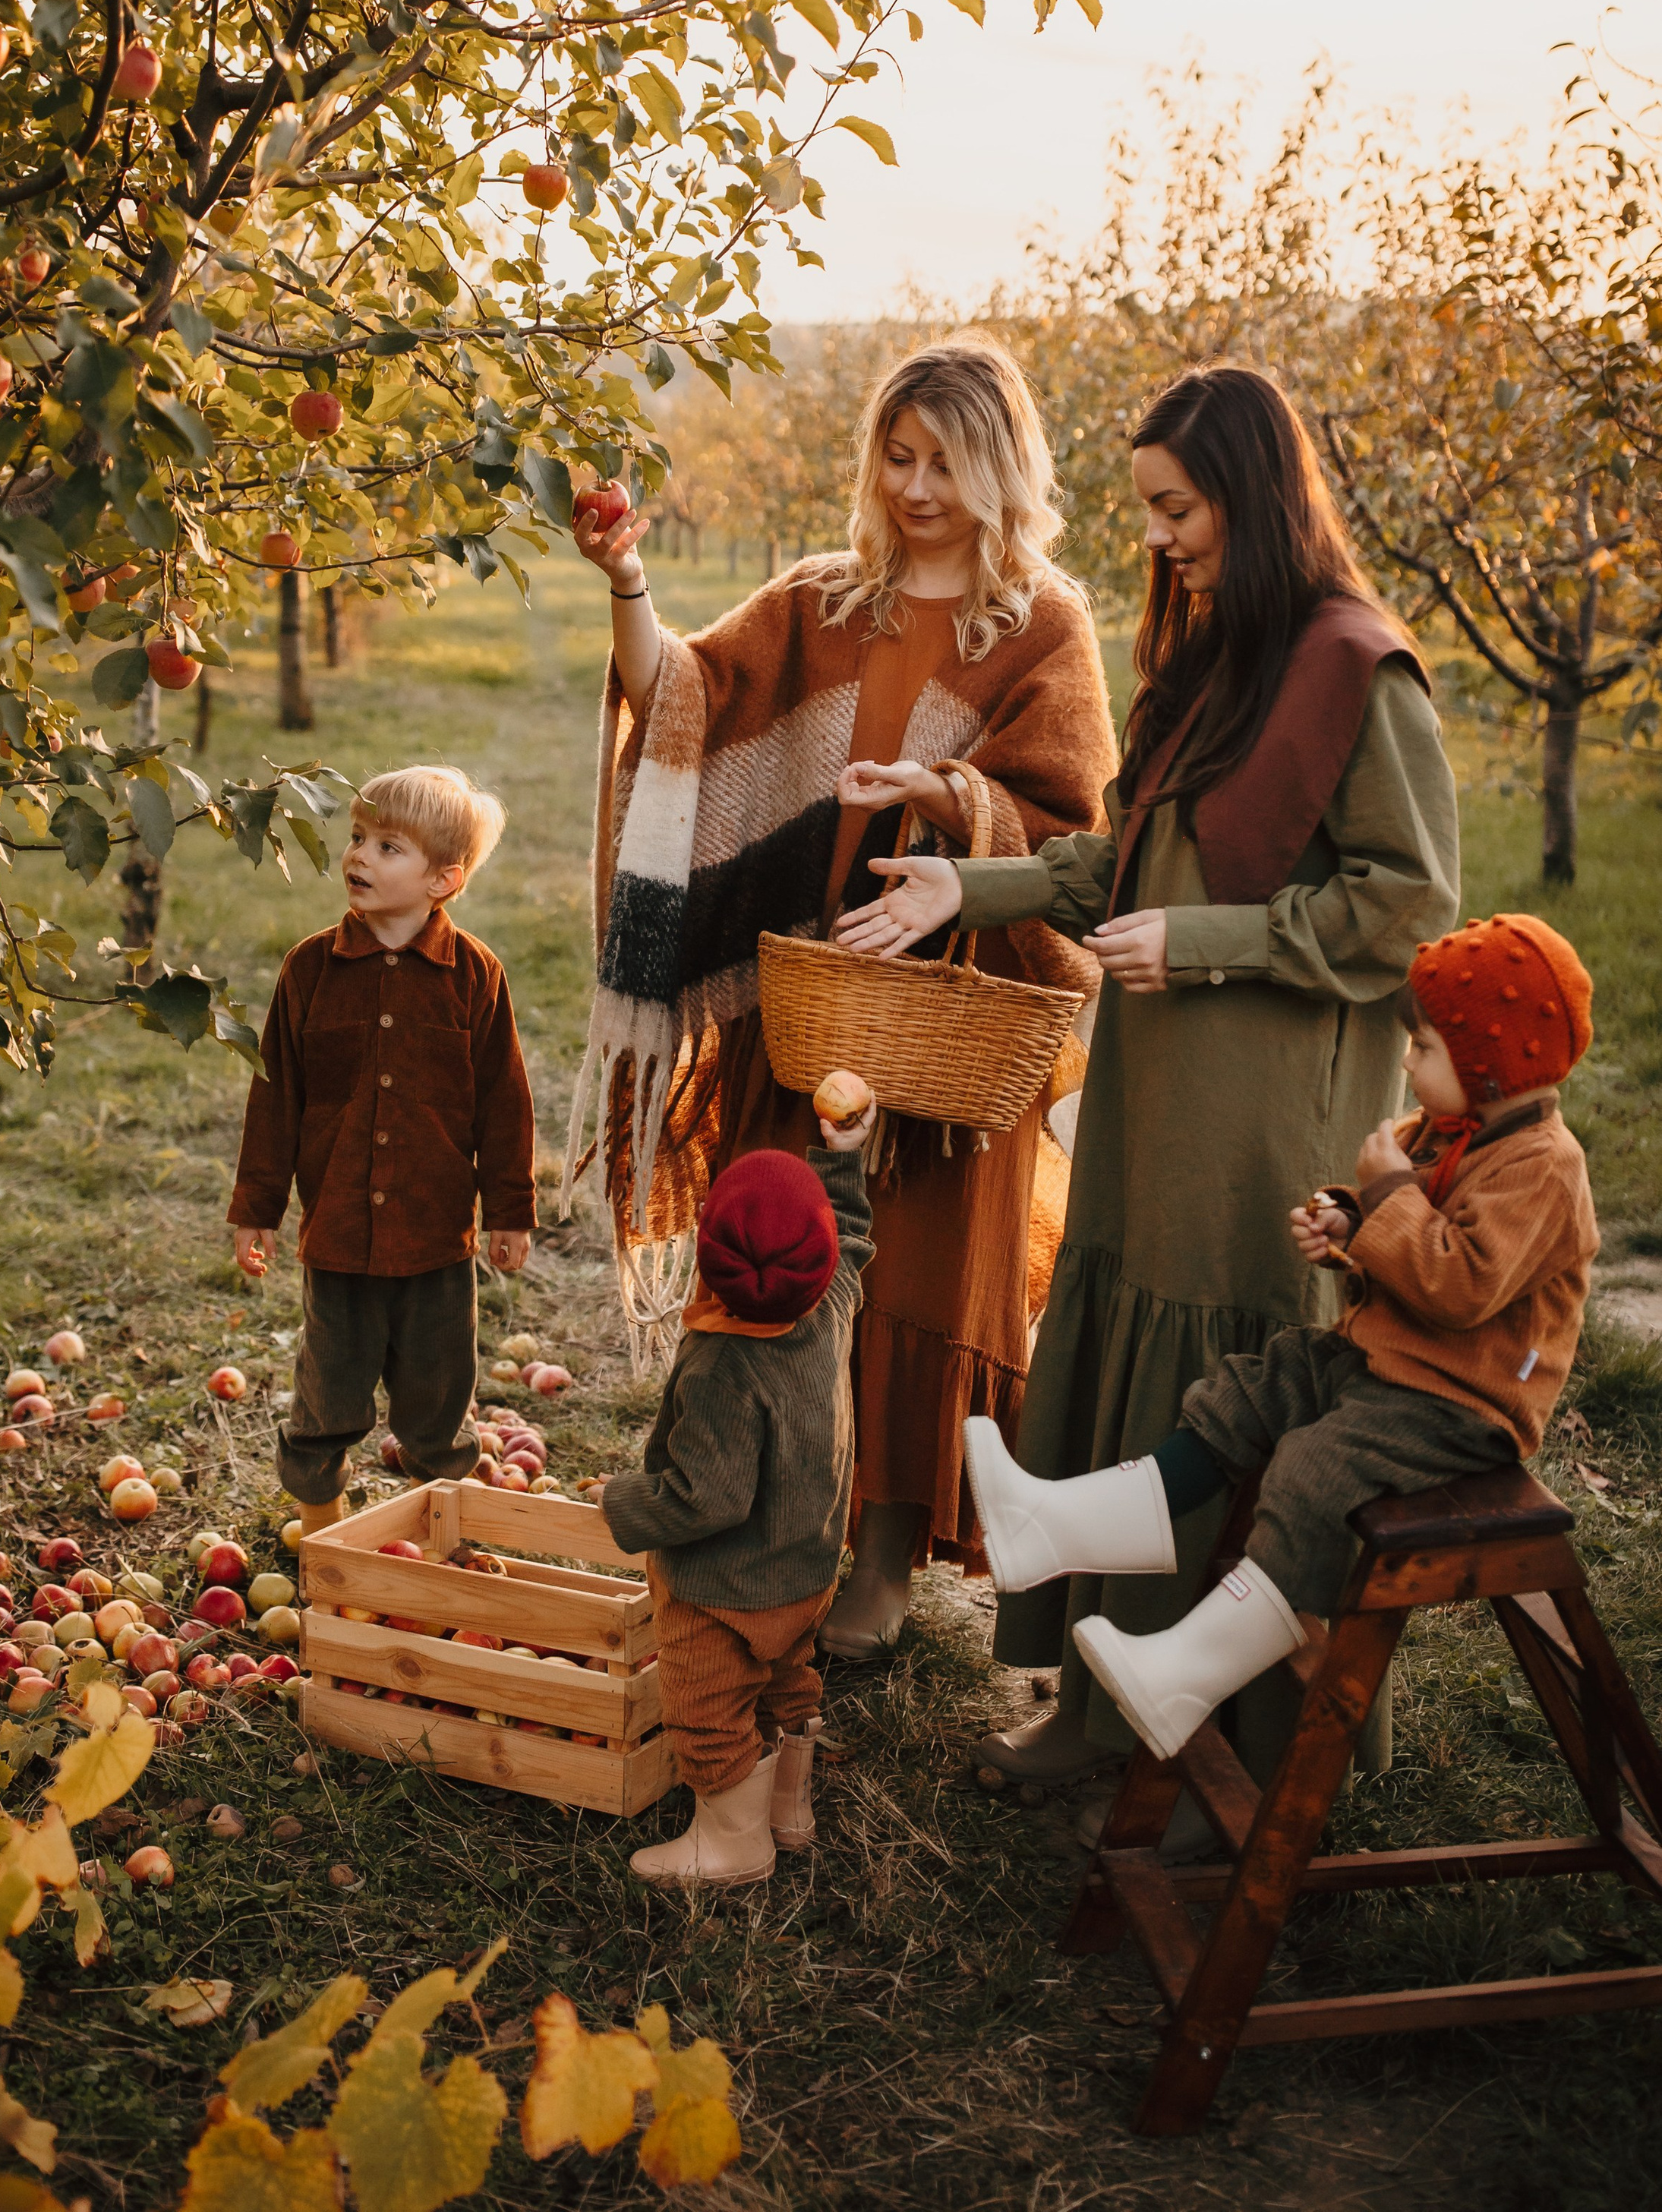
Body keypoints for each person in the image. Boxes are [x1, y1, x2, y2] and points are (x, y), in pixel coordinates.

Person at [836, 364, 1460, 1793]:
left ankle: (1240, 1743)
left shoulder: (1360, 671)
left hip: (1266, 1115)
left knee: (1231, 1397)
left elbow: (1411, 910)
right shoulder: (1214, 661)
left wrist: (1213, 939)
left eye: (1179, 510)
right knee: (1126, 1384)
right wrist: (966, 886)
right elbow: (1114, 864)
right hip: (1151, 1094)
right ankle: (1098, 1712)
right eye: (1151, 511)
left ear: (1249, 494)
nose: (1162, 537)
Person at [567, 336, 1114, 1658]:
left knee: (915, 1284)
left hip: (948, 1023)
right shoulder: (824, 599)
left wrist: (953, 798)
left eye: (947, 460)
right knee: (787, 1275)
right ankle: (768, 1531)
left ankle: (881, 1560)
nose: (917, 486)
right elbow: (681, 696)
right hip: (803, 1008)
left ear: (1003, 467)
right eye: (899, 454)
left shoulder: (1044, 625)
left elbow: (1068, 817)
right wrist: (628, 581)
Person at [963, 914, 1597, 1757]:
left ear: (1491, 1066)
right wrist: (1348, 1217)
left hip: (1459, 1407)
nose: (1406, 1062)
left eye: (1424, 1050)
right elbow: (1401, 1236)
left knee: (1312, 1469)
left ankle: (1185, 1670)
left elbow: (1460, 1286)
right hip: (1385, 1363)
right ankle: (1063, 1525)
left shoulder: (1543, 1169)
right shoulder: (1448, 1131)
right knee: (1245, 1392)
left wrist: (1391, 1199)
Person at [228, 765, 537, 1544]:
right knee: (326, 1401)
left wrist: (509, 1210)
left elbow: (503, 1103)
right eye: (358, 838)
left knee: (438, 1406)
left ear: (443, 878)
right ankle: (324, 1544)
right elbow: (277, 1099)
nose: (359, 857)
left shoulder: (474, 977)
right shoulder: (309, 971)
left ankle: (439, 1549)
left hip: (436, 1242)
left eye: (387, 846)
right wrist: (256, 1210)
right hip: (337, 1239)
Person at [591, 1084, 881, 1883]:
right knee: (788, 1679)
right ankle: (788, 1808)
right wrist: (842, 1157)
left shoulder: (724, 1366)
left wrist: (622, 1503)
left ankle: (731, 1842)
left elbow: (706, 1500)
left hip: (723, 1591)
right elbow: (849, 1234)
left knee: (708, 1708)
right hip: (808, 1568)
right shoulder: (831, 1304)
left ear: (709, 1261)